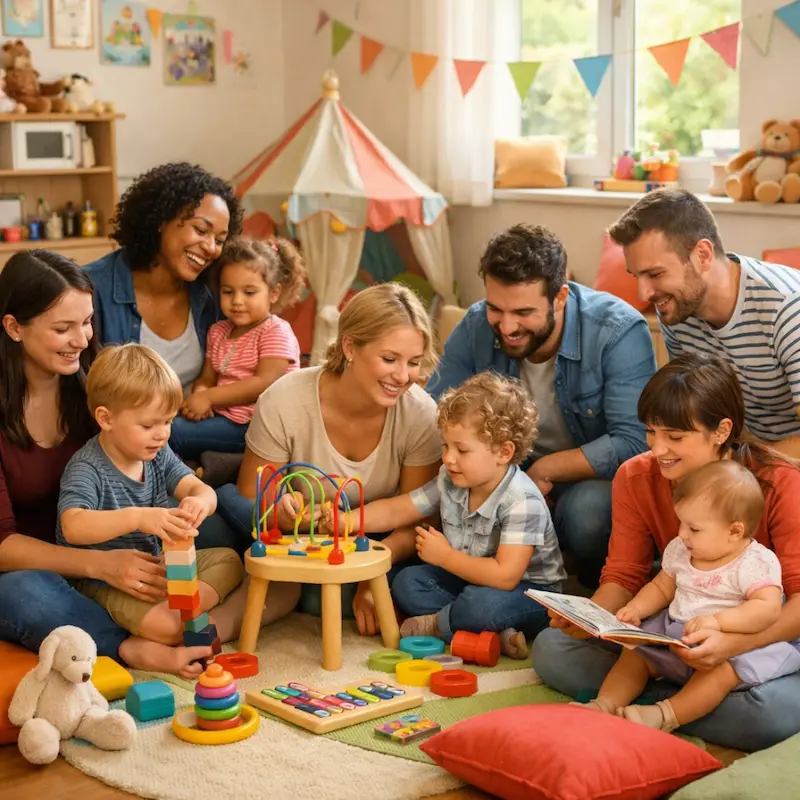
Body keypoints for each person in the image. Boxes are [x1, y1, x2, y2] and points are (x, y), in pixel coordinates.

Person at [532, 353, 800, 752]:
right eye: (650, 432)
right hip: (675, 634)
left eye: (675, 437)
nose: (659, 449)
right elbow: (623, 577)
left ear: (721, 430)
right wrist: (592, 619)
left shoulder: (781, 484)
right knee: (551, 650)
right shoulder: (636, 476)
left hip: (756, 641)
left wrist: (730, 645)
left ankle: (663, 706)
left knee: (772, 715)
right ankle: (661, 705)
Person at [428, 223, 656, 588]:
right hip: (503, 473)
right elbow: (431, 409)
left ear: (560, 296)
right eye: (495, 309)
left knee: (587, 515)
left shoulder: (618, 330)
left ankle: (568, 577)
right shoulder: (476, 325)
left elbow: (636, 442)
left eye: (523, 312)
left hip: (587, 480)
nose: (506, 326)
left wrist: (548, 469)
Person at [216, 282, 443, 634]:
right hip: (292, 534)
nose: (402, 376)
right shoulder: (285, 399)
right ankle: (215, 624)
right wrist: (285, 512)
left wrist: (374, 576)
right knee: (224, 510)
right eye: (389, 359)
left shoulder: (419, 413)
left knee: (337, 602)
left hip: (371, 541)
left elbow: (418, 517)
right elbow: (254, 498)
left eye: (413, 363)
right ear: (350, 346)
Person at [321, 372, 565, 658]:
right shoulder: (451, 479)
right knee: (407, 583)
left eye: (462, 450)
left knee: (482, 605)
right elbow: (399, 508)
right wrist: (348, 520)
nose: (448, 458)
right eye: (446, 446)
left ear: (503, 452)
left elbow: (505, 577)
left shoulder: (522, 500)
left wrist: (445, 557)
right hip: (469, 579)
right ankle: (491, 634)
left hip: (529, 592)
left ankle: (440, 625)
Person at [0, 250, 157, 661]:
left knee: (215, 533)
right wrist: (100, 566)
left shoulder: (94, 389)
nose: (82, 339)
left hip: (105, 539)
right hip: (28, 565)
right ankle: (128, 647)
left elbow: (154, 461)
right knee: (24, 595)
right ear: (14, 327)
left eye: (87, 322)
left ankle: (159, 626)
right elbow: (2, 545)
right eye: (63, 328)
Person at [57, 344, 243, 678]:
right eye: (148, 425)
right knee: (168, 625)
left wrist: (198, 502)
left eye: (168, 422)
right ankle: (171, 632)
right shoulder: (87, 467)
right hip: (106, 583)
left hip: (158, 567)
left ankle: (188, 618)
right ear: (106, 418)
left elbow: (198, 488)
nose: (162, 434)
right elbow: (73, 525)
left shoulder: (156, 453)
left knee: (230, 559)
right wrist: (138, 517)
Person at [574, 460, 800, 732]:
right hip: (674, 635)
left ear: (734, 531)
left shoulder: (756, 562)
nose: (681, 534)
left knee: (722, 676)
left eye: (693, 528)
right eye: (681, 522)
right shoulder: (681, 549)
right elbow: (661, 588)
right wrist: (635, 609)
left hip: (730, 645)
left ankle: (665, 715)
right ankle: (605, 704)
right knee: (634, 655)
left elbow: (767, 609)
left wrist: (718, 623)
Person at [608, 187, 800, 455]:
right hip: (742, 458)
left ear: (703, 255)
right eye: (636, 276)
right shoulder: (678, 311)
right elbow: (697, 414)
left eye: (655, 274)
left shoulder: (788, 307)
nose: (644, 294)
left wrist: (740, 462)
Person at [85, 162, 243, 393]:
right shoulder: (91, 287)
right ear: (161, 220)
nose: (211, 248)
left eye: (219, 240)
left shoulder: (216, 293)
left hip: (197, 425)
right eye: (200, 230)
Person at [169, 237, 304, 460]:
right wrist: (201, 394)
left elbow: (263, 383)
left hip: (257, 426)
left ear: (273, 293)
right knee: (161, 423)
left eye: (249, 292)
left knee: (172, 433)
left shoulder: (276, 331)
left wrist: (211, 398)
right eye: (228, 292)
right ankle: (216, 464)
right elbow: (207, 377)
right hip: (223, 418)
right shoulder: (219, 331)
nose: (237, 301)